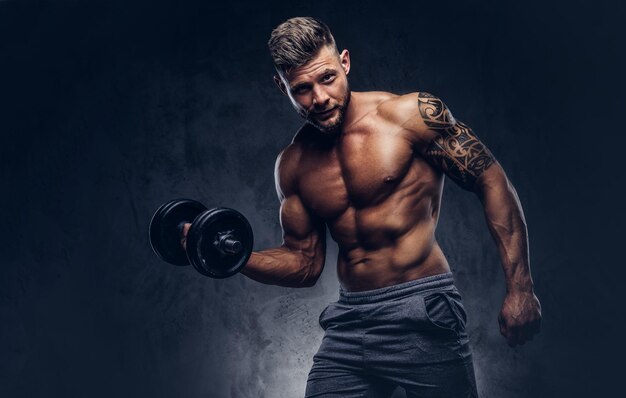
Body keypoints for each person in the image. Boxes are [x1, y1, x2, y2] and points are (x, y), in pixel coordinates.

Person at [185, 16, 541, 397]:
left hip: (422, 310)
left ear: (345, 62)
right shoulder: (292, 165)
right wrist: (231, 256)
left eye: (327, 78)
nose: (319, 98)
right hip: (350, 323)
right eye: (301, 88)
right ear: (282, 87)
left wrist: (520, 289)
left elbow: (492, 181)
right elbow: (305, 263)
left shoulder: (410, 116)